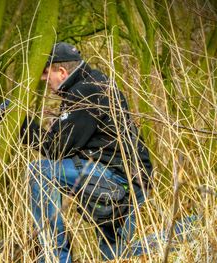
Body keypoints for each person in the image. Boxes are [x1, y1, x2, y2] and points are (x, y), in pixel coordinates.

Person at [20, 42, 153, 262]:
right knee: (116, 257)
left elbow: (56, 148)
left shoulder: (86, 92)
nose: (44, 80)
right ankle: (189, 232)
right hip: (134, 182)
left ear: (61, 71)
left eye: (46, 73)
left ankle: (55, 257)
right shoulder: (96, 82)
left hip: (117, 178)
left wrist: (20, 123)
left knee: (39, 172)